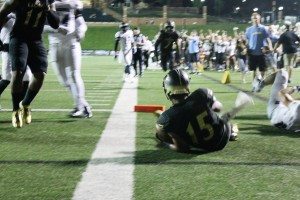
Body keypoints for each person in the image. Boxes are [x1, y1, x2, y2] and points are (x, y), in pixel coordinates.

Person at [0, 0, 59, 128]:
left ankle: (25, 104)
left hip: (36, 40)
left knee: (40, 75)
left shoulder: (48, 1)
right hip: (18, 38)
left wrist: (48, 8)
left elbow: (56, 24)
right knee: (18, 72)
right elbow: (3, 12)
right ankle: (16, 110)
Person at [155, 69, 242, 153]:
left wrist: (166, 144)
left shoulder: (166, 118)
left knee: (165, 131)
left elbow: (183, 148)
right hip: (223, 136)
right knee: (217, 118)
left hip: (202, 147)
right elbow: (218, 108)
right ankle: (232, 130)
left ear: (167, 91)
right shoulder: (202, 93)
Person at [45, 0, 92, 118]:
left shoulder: (73, 3)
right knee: (64, 81)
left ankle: (81, 107)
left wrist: (81, 31)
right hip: (54, 44)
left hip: (71, 43)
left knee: (74, 75)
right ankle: (82, 105)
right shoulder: (45, 3)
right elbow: (42, 26)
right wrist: (57, 29)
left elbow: (79, 22)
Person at [0, 13, 32, 107]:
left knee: (27, 77)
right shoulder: (8, 12)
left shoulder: (21, 11)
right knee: (7, 78)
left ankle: (21, 106)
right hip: (7, 48)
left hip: (21, 47)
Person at [245, 13, 272, 82]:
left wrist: (270, 47)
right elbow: (247, 41)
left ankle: (262, 81)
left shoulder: (263, 28)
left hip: (261, 52)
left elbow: (268, 39)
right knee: (253, 69)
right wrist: (246, 49)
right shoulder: (248, 30)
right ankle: (254, 83)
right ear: (252, 20)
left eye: (256, 18)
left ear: (259, 19)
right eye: (254, 18)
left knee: (262, 69)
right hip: (252, 52)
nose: (255, 19)